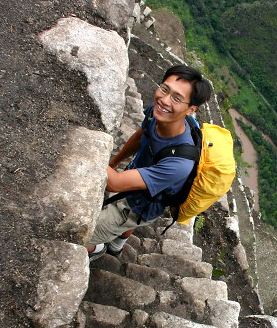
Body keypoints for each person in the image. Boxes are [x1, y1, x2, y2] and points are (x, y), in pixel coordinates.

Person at [87, 65, 212, 260]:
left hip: (139, 207)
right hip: (136, 178)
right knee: (126, 219)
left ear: (191, 109)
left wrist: (90, 146)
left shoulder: (179, 164)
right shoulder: (158, 113)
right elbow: (141, 136)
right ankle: (117, 245)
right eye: (164, 89)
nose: (164, 100)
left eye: (176, 98)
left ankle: (97, 248)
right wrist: (113, 163)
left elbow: (115, 183)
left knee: (82, 235)